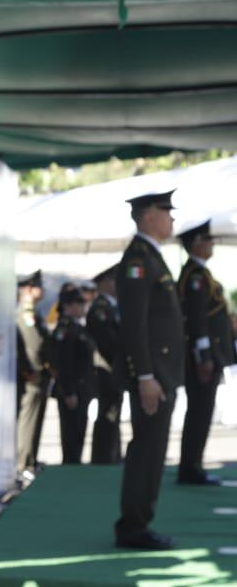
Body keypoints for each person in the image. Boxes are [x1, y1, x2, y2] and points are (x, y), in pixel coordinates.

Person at [115, 190, 185, 550]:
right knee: (147, 450)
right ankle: (133, 526)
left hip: (162, 373)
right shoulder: (138, 261)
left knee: (154, 451)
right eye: (166, 213)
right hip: (152, 376)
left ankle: (140, 521)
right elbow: (135, 325)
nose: (172, 220)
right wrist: (145, 376)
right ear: (148, 218)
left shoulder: (152, 257)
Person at [176, 219, 233, 485]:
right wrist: (204, 357)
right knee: (199, 411)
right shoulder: (195, 276)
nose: (211, 244)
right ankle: (190, 467)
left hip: (210, 354)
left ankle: (193, 464)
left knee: (202, 411)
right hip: (202, 358)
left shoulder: (200, 273)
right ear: (196, 244)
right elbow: (197, 320)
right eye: (207, 240)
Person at [51, 287, 96, 465]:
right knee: (71, 433)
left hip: (82, 387)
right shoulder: (65, 330)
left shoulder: (77, 327)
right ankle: (70, 466)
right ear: (67, 306)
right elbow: (64, 364)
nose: (82, 307)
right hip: (73, 389)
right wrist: (69, 391)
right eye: (78, 303)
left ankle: (74, 463)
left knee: (79, 432)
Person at [86, 264, 123, 464]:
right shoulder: (100, 310)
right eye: (113, 280)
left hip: (114, 369)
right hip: (105, 369)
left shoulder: (111, 307)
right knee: (107, 414)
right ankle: (103, 456)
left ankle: (113, 453)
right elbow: (107, 343)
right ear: (104, 283)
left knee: (113, 413)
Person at [16, 270, 50, 479]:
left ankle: (31, 459)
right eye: (38, 285)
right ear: (29, 289)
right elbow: (34, 345)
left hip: (40, 374)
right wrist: (37, 369)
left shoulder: (33, 312)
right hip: (33, 375)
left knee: (36, 419)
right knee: (29, 420)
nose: (42, 290)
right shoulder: (25, 313)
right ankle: (24, 463)